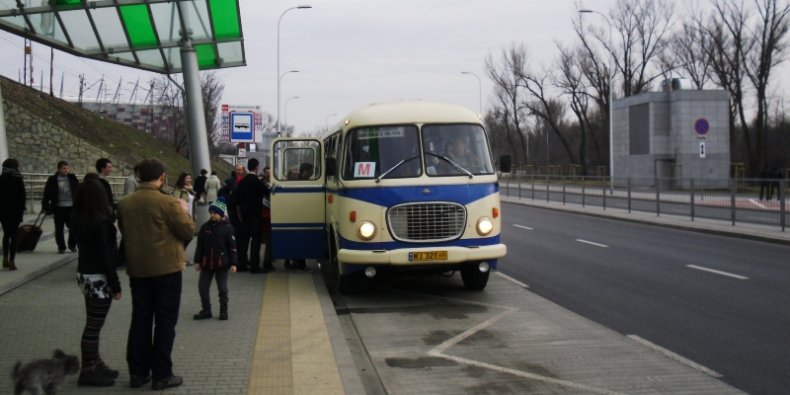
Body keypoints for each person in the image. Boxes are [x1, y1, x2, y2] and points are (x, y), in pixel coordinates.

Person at [117, 158, 195, 391]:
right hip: (167, 269)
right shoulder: (168, 202)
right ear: (162, 177)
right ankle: (162, 374)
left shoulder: (124, 204)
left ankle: (138, 373)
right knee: (164, 321)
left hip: (138, 269)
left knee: (140, 319)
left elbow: (124, 230)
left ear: (139, 177)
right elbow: (188, 230)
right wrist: (183, 210)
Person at [70, 174, 122, 387]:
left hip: (85, 273)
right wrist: (115, 283)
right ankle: (88, 369)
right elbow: (106, 255)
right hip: (99, 277)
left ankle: (95, 362)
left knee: (93, 321)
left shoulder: (77, 217)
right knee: (93, 325)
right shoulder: (102, 223)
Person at [192, 199, 237, 321]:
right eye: (211, 212)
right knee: (203, 287)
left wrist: (233, 263)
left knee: (222, 288)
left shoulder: (227, 228)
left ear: (221, 214)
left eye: (215, 213)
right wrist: (198, 261)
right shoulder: (204, 227)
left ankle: (223, 311)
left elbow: (232, 247)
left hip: (222, 264)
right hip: (207, 264)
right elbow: (200, 246)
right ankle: (206, 310)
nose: (212, 215)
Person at [235, 158, 268, 273]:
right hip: (255, 215)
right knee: (255, 241)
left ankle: (242, 264)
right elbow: (267, 192)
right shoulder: (257, 181)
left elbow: (237, 200)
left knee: (244, 241)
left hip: (244, 215)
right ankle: (255, 266)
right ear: (257, 166)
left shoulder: (242, 182)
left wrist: (240, 215)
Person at [42, 160, 80, 253]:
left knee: (73, 227)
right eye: (64, 168)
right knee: (59, 228)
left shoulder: (72, 177)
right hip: (58, 207)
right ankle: (61, 247)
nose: (66, 170)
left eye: (67, 168)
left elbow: (78, 191)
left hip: (71, 207)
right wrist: (45, 206)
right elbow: (46, 194)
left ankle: (72, 245)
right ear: (59, 169)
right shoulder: (52, 179)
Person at [0, 158, 25, 271]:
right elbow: (22, 196)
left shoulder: (1, 178)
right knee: (14, 235)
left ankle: (5, 257)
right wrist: (22, 208)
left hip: (3, 211)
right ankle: (12, 260)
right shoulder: (18, 179)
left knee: (6, 234)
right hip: (15, 211)